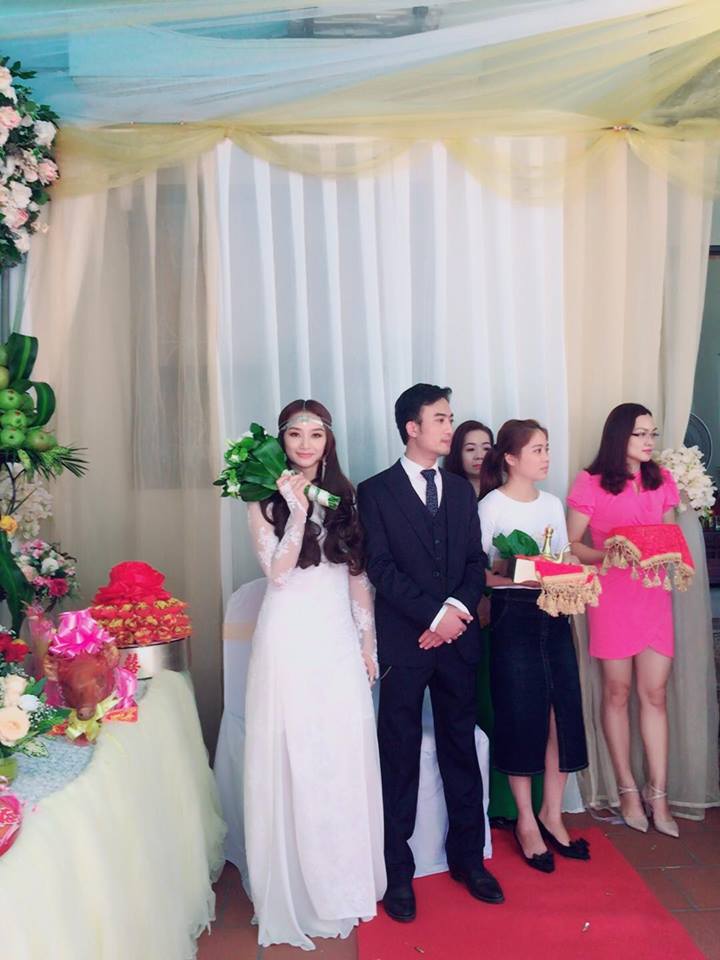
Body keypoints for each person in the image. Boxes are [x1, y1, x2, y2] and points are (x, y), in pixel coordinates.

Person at [357, 384, 504, 924]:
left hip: (457, 639)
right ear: (412, 427)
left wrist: (455, 613)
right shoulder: (375, 491)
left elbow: (473, 562)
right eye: (440, 418)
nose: (450, 427)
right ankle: (398, 870)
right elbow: (380, 567)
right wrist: (433, 617)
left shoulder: (462, 491)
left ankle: (468, 858)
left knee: (460, 747)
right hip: (405, 641)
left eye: (450, 418)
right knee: (397, 753)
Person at [243, 399, 386, 951]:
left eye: (316, 434)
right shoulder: (260, 498)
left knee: (338, 749)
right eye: (295, 434)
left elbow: (357, 577)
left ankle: (341, 878)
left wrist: (367, 643)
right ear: (281, 441)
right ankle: (296, 889)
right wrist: (296, 509)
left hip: (334, 635)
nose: (305, 444)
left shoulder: (347, 497)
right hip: (287, 634)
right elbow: (276, 572)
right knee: (293, 748)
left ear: (329, 441)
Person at [479, 419, 589, 872]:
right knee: (521, 715)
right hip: (513, 616)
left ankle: (552, 812)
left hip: (555, 614)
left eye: (547, 448)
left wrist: (574, 573)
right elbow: (480, 572)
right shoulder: (491, 506)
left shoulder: (551, 503)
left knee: (561, 714)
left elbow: (562, 560)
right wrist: (519, 572)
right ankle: (525, 819)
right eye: (537, 450)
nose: (546, 457)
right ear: (510, 457)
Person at [567, 403, 680, 837]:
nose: (649, 441)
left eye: (652, 433)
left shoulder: (662, 479)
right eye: (640, 434)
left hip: (653, 596)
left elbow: (669, 536)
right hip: (612, 596)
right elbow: (574, 544)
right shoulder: (591, 481)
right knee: (617, 691)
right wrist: (608, 555)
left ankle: (659, 794)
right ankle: (627, 790)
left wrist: (664, 553)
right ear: (619, 436)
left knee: (655, 693)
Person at [444, 420, 494, 500]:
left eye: (486, 448)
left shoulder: (503, 490)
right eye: (470, 449)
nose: (479, 456)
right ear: (457, 453)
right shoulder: (445, 493)